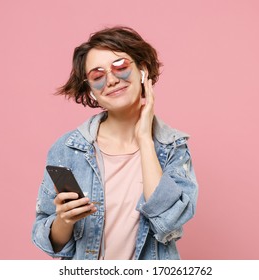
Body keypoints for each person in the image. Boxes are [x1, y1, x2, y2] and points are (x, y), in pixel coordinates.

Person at [32, 26, 198, 260]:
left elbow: (169, 223)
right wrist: (64, 220)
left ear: (142, 71)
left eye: (120, 66)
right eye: (97, 76)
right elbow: (51, 243)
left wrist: (144, 139)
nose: (111, 80)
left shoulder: (171, 147)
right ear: (91, 91)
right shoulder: (68, 149)